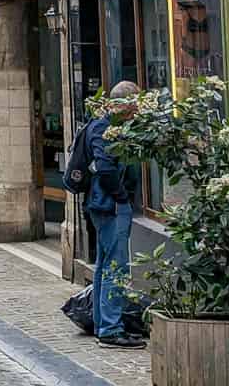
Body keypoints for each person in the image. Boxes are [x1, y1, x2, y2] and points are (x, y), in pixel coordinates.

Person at [86, 81, 145, 350]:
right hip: (109, 206)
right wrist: (122, 198)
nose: (137, 109)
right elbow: (105, 168)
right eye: (135, 104)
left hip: (105, 204)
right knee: (115, 266)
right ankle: (110, 329)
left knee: (105, 264)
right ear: (125, 105)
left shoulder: (104, 124)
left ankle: (103, 324)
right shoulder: (104, 128)